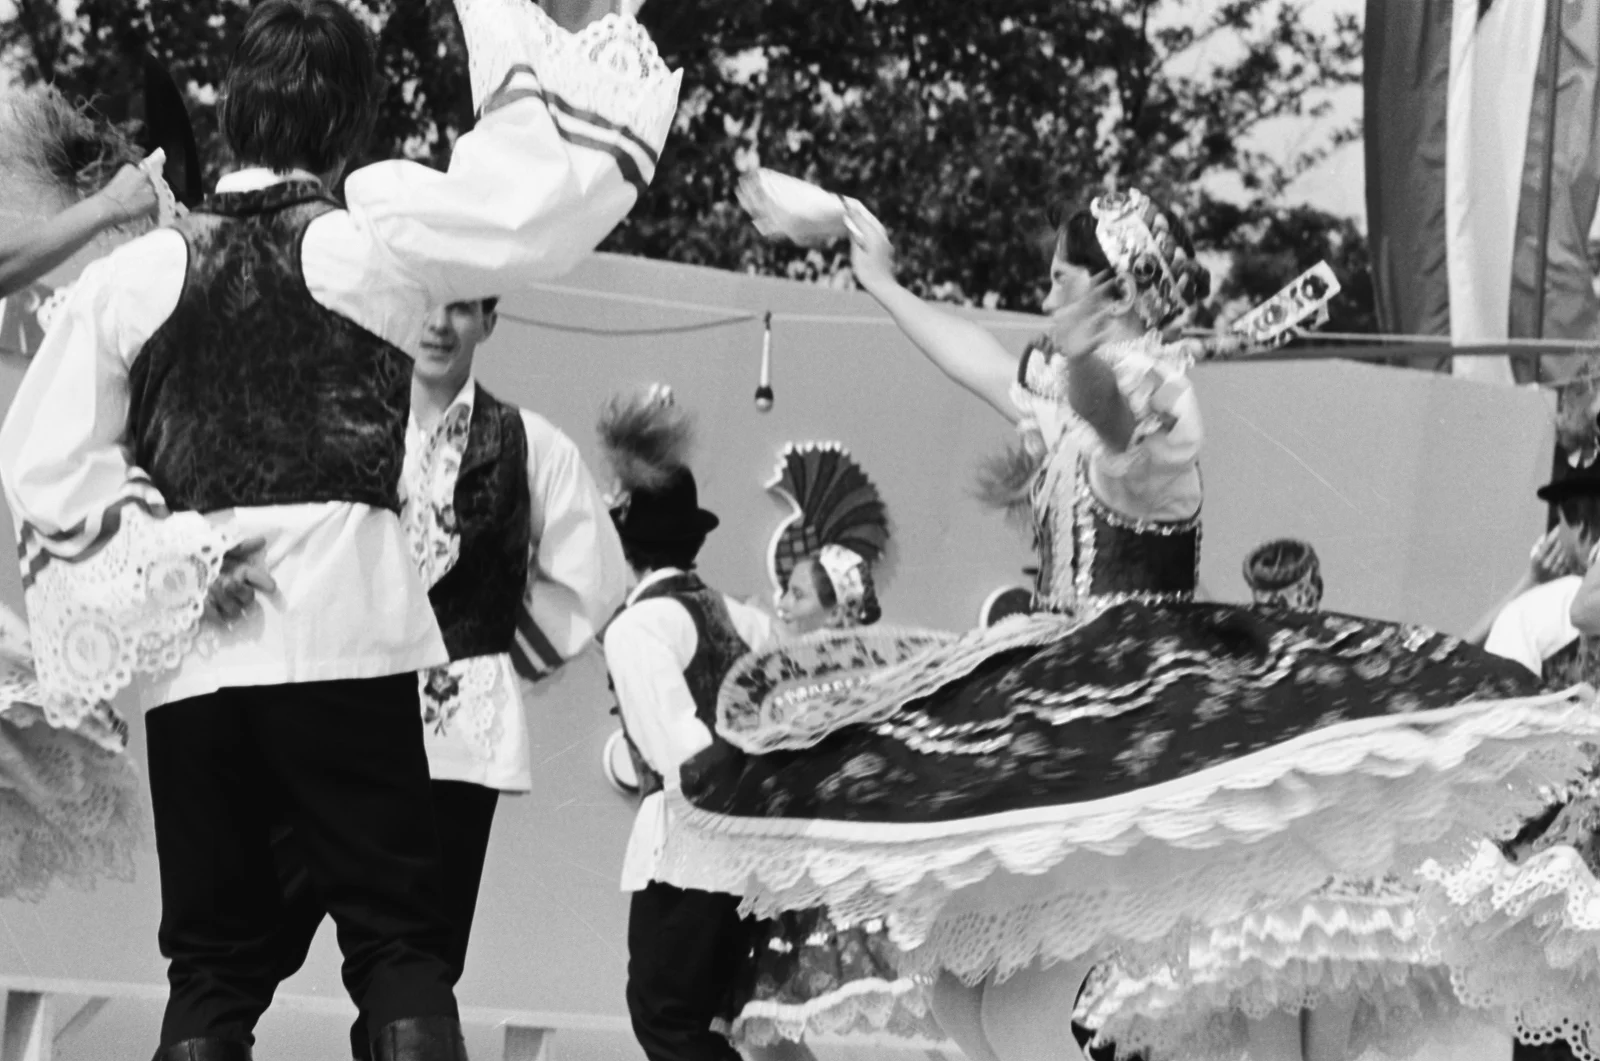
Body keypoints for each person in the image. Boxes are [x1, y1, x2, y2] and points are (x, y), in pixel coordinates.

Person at [655, 188, 1598, 1061]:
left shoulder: (1157, 402)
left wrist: (1091, 368)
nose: (1044, 296)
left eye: (1061, 279)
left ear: (1113, 290)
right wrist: (886, 284)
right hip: (1052, 677)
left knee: (1026, 1011)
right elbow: (984, 360)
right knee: (959, 993)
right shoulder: (1075, 386)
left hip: (1138, 697)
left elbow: (1115, 425)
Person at [0, 0, 679, 1057]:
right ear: (351, 122)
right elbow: (530, 203)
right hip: (351, 642)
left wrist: (174, 558)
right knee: (400, 942)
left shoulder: (138, 276)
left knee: (213, 964)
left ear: (234, 111)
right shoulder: (378, 242)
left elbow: (41, 459)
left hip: (201, 661)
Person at [268, 296, 629, 1060]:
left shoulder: (529, 442)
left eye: (460, 308)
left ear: (489, 321)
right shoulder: (340, 419)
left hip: (453, 736)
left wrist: (493, 654)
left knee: (417, 967)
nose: (437, 324)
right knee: (250, 936)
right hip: (328, 718)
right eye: (424, 305)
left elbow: (591, 576)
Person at [1077, 539, 1475, 1061]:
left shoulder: (1246, 674)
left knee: (1290, 1048)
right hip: (1324, 887)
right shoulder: (1343, 663)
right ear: (1315, 589)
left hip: (1290, 886)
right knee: (1316, 1048)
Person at [710, 442, 944, 1058]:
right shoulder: (782, 670)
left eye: (797, 596)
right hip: (792, 864)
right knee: (769, 1021)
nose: (782, 603)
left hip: (836, 863)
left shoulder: (858, 680)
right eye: (785, 591)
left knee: (838, 1010)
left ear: (835, 612)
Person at [597, 386, 777, 1061]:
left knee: (666, 1018)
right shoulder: (748, 619)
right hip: (756, 850)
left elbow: (681, 754)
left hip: (690, 845)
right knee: (712, 1022)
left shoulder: (639, 626)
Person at [1421, 466, 1600, 1061]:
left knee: (1549, 996)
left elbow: (1486, 699)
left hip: (1562, 807)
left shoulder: (1548, 606)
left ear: (1578, 523)